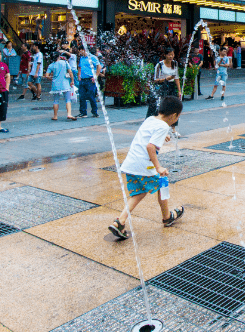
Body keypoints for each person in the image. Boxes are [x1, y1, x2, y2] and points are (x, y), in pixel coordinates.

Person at [108, 95, 185, 240]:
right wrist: (158, 167)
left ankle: (119, 222)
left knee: (138, 193)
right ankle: (167, 218)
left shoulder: (151, 119)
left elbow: (148, 136)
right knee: (162, 185)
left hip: (131, 164)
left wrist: (163, 136)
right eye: (178, 116)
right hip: (144, 166)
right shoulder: (163, 126)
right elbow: (150, 146)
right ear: (174, 115)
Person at [147, 48, 181, 117]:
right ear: (165, 55)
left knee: (173, 107)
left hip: (171, 86)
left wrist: (179, 91)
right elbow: (156, 80)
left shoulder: (175, 63)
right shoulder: (160, 65)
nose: (171, 56)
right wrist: (166, 79)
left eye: (172, 54)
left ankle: (172, 125)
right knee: (160, 106)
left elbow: (176, 78)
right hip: (162, 86)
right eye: (169, 55)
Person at [44, 52, 77, 121]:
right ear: (59, 56)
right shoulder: (64, 62)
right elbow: (70, 72)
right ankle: (69, 114)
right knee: (68, 100)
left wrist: (51, 78)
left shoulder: (51, 65)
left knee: (56, 100)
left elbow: (46, 75)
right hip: (65, 84)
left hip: (55, 85)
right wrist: (72, 80)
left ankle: (55, 116)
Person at [77, 47, 103, 118]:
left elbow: (99, 67)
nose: (79, 53)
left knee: (91, 96)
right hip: (82, 80)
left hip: (90, 80)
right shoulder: (81, 58)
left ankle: (94, 112)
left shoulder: (93, 57)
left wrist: (96, 76)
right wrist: (79, 75)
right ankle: (83, 112)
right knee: (82, 96)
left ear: (84, 50)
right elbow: (79, 67)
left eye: (80, 51)